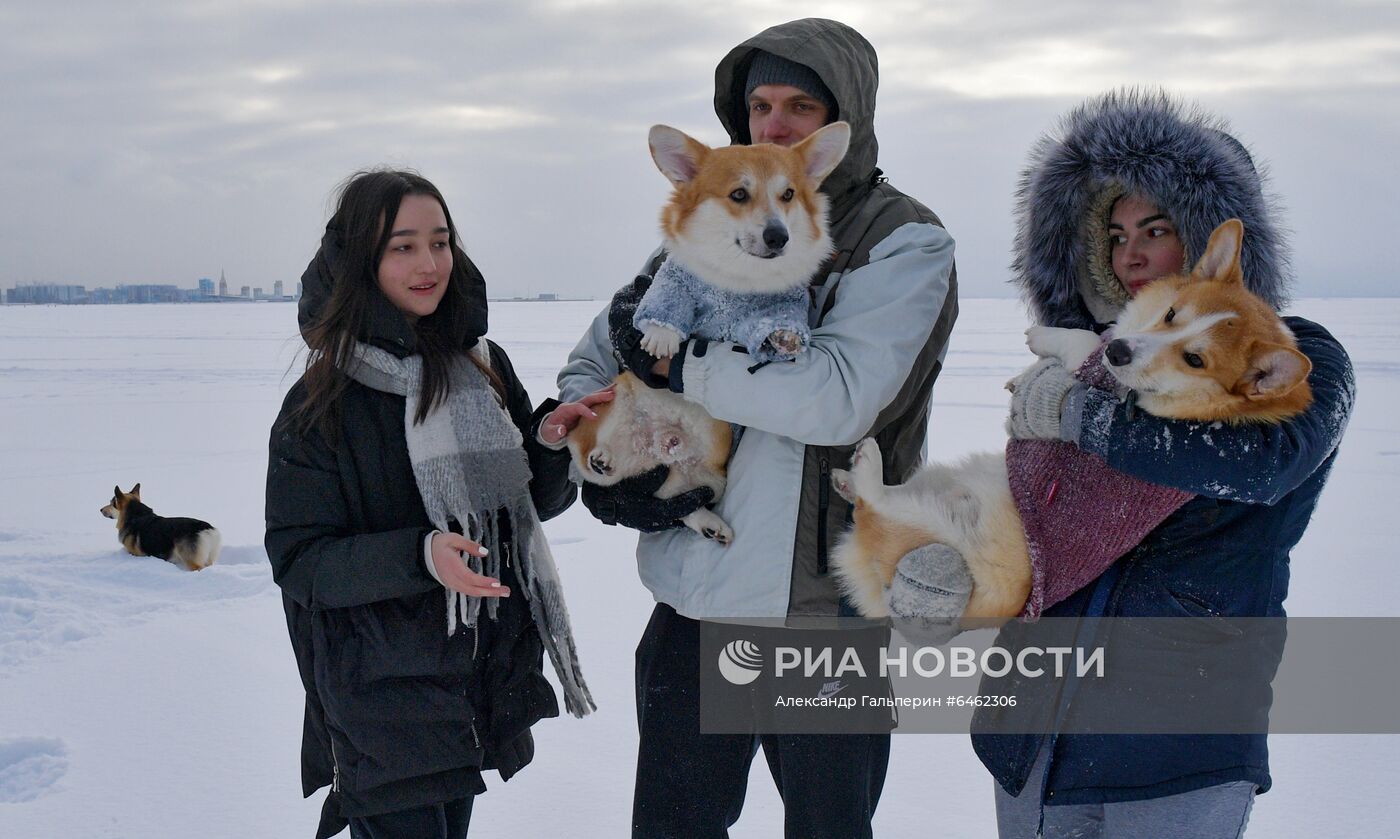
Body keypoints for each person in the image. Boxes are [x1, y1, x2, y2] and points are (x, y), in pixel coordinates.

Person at [891, 90, 1354, 836]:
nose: (1129, 253)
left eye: (1156, 229)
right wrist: (957, 575)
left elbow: (1261, 461)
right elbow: (1033, 518)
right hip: (1033, 741)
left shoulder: (1298, 357)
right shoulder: (1095, 365)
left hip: (1178, 743)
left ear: (1211, 238)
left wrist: (1083, 418)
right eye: (1113, 233)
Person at [553, 18, 958, 839]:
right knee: (671, 828)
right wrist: (598, 454)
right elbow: (593, 363)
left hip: (823, 611)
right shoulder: (705, 222)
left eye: (800, 107)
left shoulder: (903, 240)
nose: (773, 127)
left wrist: (680, 368)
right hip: (695, 598)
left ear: (844, 120)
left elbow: (837, 396)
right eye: (760, 105)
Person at [265, 169, 601, 839]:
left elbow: (520, 509)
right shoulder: (321, 404)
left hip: (470, 683)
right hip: (379, 701)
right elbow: (302, 562)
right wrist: (421, 557)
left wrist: (553, 444)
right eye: (403, 246)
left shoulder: (480, 366)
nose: (429, 264)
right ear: (362, 259)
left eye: (440, 242)